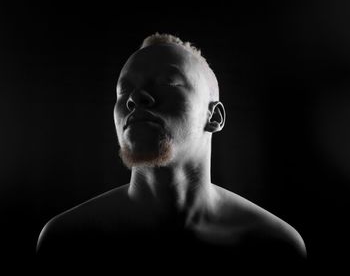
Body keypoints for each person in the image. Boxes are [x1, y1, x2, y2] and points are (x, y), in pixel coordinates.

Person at [36, 33, 307, 273]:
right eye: (123, 90)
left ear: (214, 116)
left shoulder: (272, 247)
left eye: (168, 81)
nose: (135, 98)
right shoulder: (68, 242)